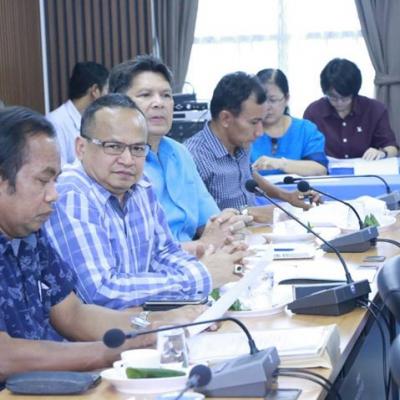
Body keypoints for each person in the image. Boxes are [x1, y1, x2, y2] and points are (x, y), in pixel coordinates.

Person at [0, 105, 169, 385]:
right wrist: (110, 351)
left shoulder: (29, 234)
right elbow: (4, 357)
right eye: (42, 181)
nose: (53, 195)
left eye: (55, 181)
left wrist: (153, 329)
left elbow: (72, 314)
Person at [44, 93, 245, 309]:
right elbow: (102, 291)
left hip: (142, 317)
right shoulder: (72, 193)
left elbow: (163, 253)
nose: (127, 160)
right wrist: (201, 276)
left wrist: (215, 268)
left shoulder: (140, 185)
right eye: (113, 146)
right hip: (100, 328)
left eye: (137, 148)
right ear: (81, 148)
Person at [108, 55, 250, 253]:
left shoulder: (180, 152)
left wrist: (225, 223)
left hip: (198, 259)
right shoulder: (116, 163)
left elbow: (207, 221)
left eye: (166, 95)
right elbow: (140, 252)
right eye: (146, 95)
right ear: (119, 104)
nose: (159, 103)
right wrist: (203, 246)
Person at [185, 72, 320, 223]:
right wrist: (249, 213)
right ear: (225, 118)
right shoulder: (192, 157)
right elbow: (194, 222)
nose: (260, 132)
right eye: (254, 122)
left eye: (262, 121)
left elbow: (248, 174)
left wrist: (287, 196)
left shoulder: (240, 142)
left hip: (253, 231)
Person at [303, 58, 398, 160]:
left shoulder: (375, 109)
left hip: (366, 168)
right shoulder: (313, 112)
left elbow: (392, 147)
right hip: (326, 170)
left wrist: (382, 153)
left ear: (354, 93)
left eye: (345, 98)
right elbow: (304, 149)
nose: (339, 102)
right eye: (333, 97)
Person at [251, 69, 328, 176]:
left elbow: (320, 170)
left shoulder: (305, 130)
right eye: (261, 100)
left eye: (272, 100)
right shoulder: (246, 130)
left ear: (286, 98)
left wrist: (281, 164)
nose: (267, 107)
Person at [47, 62, 109, 166]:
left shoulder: (97, 120)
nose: (109, 96)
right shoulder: (55, 122)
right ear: (95, 91)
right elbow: (58, 168)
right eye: (107, 90)